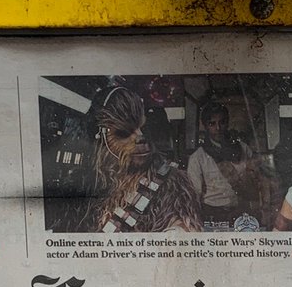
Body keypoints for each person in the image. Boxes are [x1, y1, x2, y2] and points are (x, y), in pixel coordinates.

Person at [46, 85, 201, 233]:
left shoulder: (171, 183)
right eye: (124, 132)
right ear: (100, 140)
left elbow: (183, 234)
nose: (140, 137)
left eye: (143, 128)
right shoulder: (81, 186)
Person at [186, 101, 274, 230]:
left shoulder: (243, 148)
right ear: (205, 126)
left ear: (227, 123)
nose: (218, 128)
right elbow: (194, 196)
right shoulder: (198, 158)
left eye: (222, 122)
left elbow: (259, 181)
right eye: (212, 124)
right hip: (214, 214)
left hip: (243, 212)